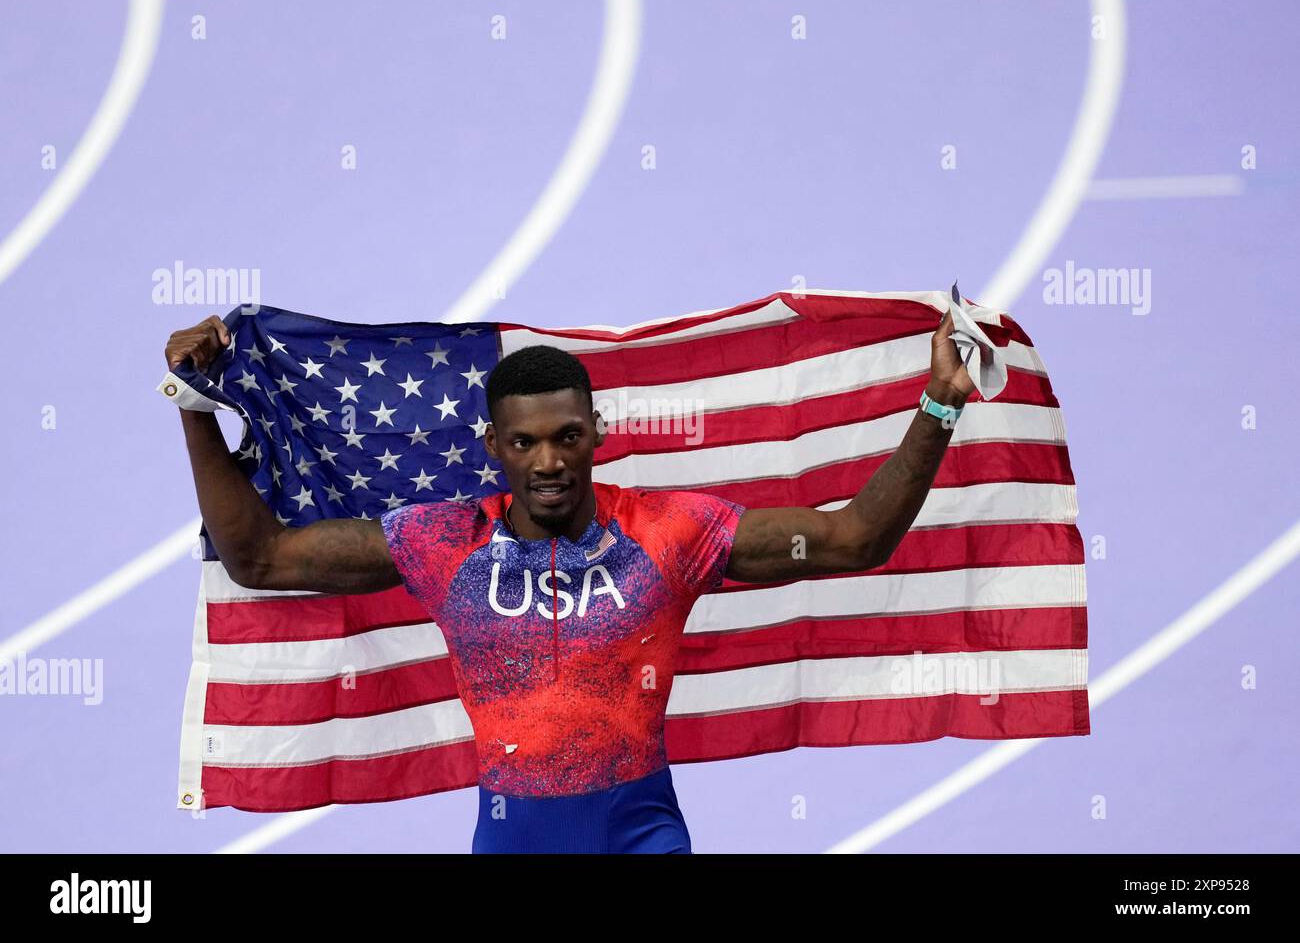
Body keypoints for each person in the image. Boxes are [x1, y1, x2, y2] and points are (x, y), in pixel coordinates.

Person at [164, 309, 974, 852]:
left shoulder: (671, 533)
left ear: (598, 437)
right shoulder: (442, 542)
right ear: (493, 446)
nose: (548, 461)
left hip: (641, 833)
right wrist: (194, 404)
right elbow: (258, 558)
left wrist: (939, 403)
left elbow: (857, 540)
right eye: (524, 444)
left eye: (567, 437)